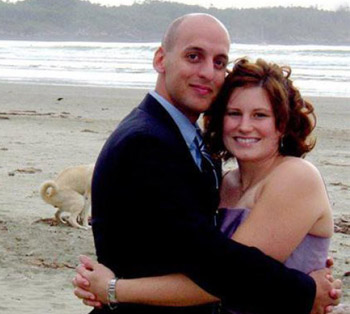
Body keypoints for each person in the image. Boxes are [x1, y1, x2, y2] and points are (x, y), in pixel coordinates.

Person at [73, 14, 341, 314]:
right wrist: (306, 290)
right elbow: (213, 263)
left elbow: (213, 261)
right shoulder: (147, 143)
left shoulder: (187, 145)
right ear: (161, 59)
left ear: (282, 124)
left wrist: (113, 289)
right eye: (193, 56)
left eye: (218, 62)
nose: (207, 72)